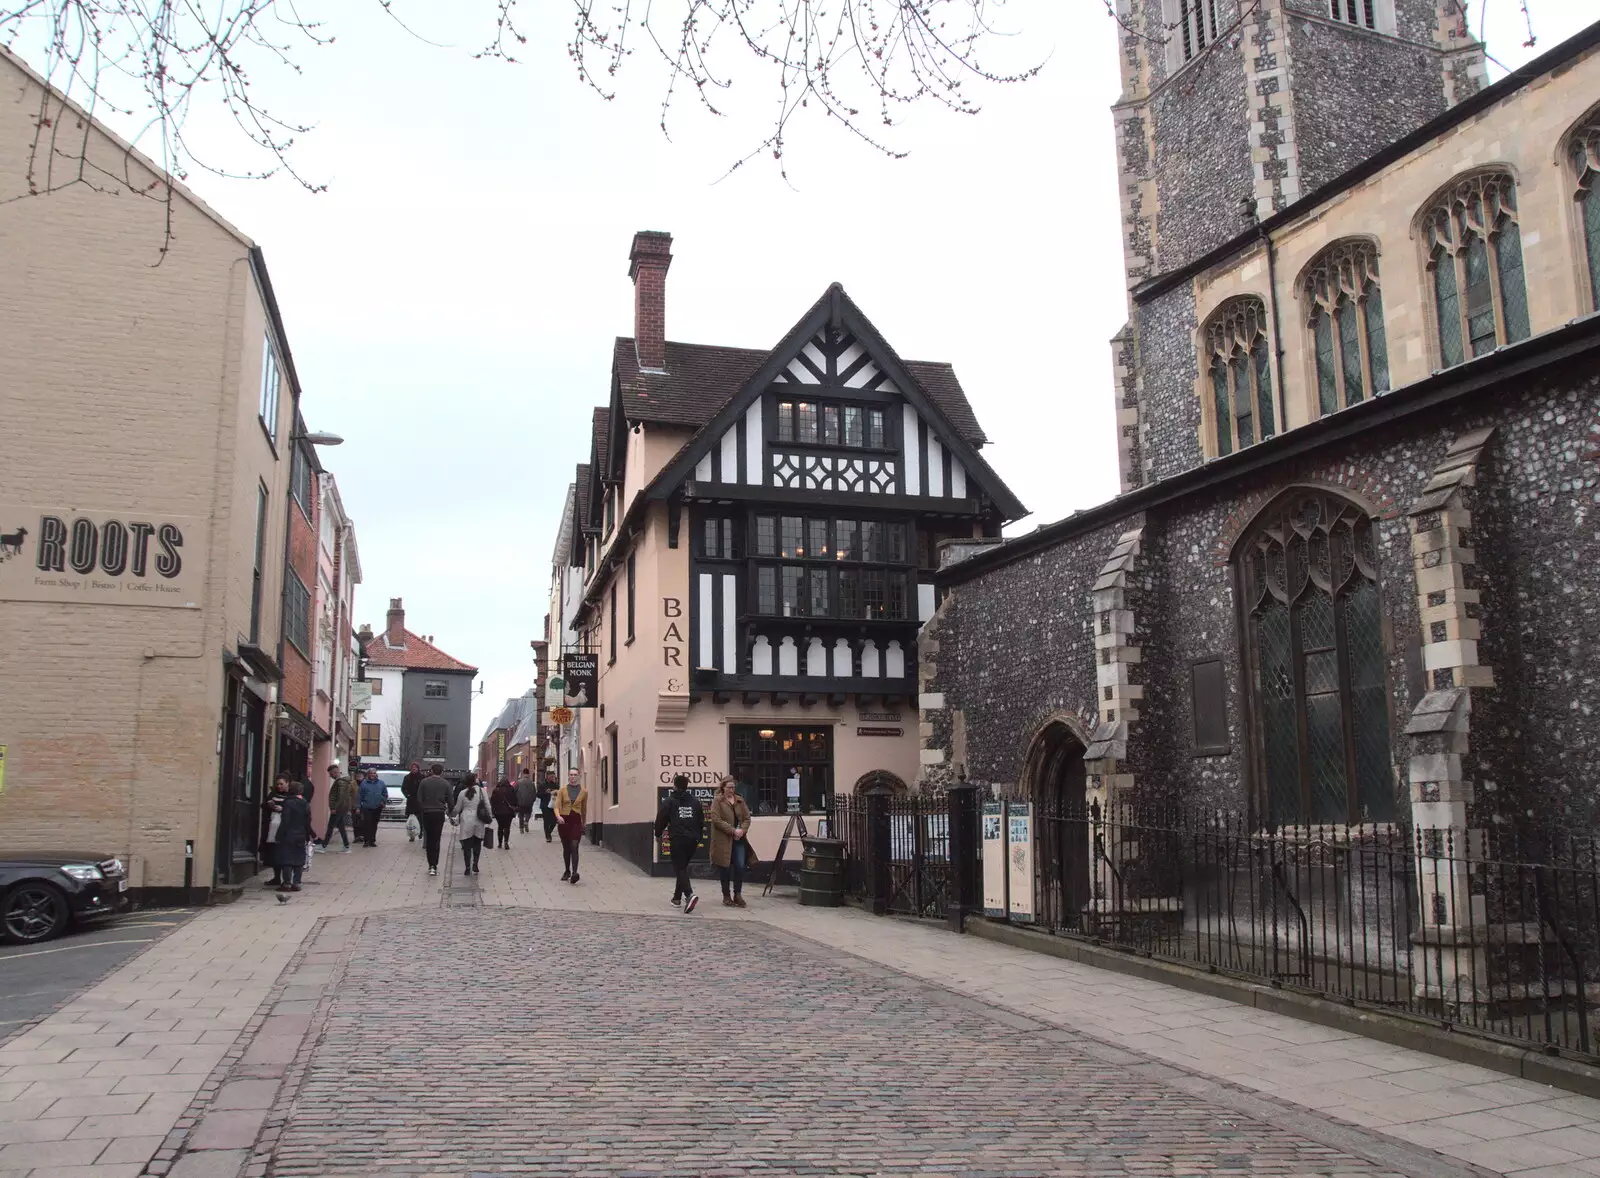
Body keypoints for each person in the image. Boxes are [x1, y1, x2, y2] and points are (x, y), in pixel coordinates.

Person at [654, 774, 705, 913]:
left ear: (675, 786)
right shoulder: (695, 801)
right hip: (692, 840)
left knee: (679, 868)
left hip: (678, 838)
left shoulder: (670, 801)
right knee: (682, 867)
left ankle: (689, 894)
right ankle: (676, 898)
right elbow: (701, 820)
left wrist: (657, 834)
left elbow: (661, 819)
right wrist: (698, 837)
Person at [709, 775, 753, 908]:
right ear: (723, 787)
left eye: (733, 787)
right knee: (725, 867)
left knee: (740, 866)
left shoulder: (740, 800)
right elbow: (716, 820)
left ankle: (738, 894)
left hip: (739, 839)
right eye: (729, 787)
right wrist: (732, 830)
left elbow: (747, 818)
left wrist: (742, 831)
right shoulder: (718, 801)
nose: (731, 790)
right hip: (724, 839)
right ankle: (726, 896)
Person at [450, 773, 490, 876]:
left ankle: (467, 867)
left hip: (466, 820)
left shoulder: (462, 793)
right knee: (477, 843)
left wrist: (452, 815)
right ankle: (475, 864)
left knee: (467, 845)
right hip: (479, 820)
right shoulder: (482, 791)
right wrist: (489, 817)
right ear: (475, 780)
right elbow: (487, 805)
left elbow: (457, 808)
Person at [275, 781, 312, 893]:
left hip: (289, 834)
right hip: (301, 833)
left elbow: (285, 820)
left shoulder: (288, 802)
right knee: (299, 859)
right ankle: (297, 883)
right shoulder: (305, 803)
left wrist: (279, 834)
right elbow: (308, 820)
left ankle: (287, 883)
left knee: (287, 859)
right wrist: (308, 834)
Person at [416, 763, 452, 876]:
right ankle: (434, 866)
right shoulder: (446, 784)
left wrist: (422, 809)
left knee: (429, 839)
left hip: (427, 813)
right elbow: (450, 800)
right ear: (441, 772)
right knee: (436, 839)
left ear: (431, 771)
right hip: (439, 813)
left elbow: (419, 798)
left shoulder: (424, 782)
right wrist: (451, 814)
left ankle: (430, 863)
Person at [554, 768, 587, 884]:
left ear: (579, 776)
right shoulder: (562, 790)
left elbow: (584, 809)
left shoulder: (584, 792)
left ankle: (574, 873)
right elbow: (556, 806)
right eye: (571, 775)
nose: (573, 777)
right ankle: (567, 870)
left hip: (576, 821)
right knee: (566, 848)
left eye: (575, 775)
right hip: (564, 820)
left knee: (574, 845)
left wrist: (584, 823)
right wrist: (558, 817)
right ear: (568, 776)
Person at [260, 775, 290, 887]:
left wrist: (282, 809)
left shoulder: (291, 796)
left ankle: (285, 879)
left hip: (284, 829)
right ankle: (276, 877)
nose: (279, 786)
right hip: (271, 828)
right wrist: (269, 805)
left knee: (283, 854)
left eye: (281, 784)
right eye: (277, 784)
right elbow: (263, 805)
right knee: (274, 854)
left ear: (287, 783)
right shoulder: (272, 795)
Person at [321, 767, 354, 852]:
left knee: (330, 826)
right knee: (341, 827)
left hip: (339, 808)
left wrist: (334, 808)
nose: (330, 776)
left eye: (331, 774)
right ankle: (346, 846)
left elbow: (341, 796)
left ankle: (324, 846)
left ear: (335, 772)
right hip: (342, 807)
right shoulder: (343, 781)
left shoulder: (340, 782)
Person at [356, 769, 387, 847]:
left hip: (377, 807)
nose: (373, 774)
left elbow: (385, 794)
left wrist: (382, 801)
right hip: (366, 807)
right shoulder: (364, 783)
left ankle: (372, 840)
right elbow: (359, 796)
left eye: (374, 773)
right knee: (367, 824)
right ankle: (366, 841)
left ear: (376, 774)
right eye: (371, 773)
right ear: (368, 774)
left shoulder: (381, 783)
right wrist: (358, 807)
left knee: (374, 824)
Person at [490, 778, 517, 849]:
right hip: (509, 812)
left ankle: (499, 843)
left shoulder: (496, 790)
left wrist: (493, 811)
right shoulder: (511, 790)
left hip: (498, 812)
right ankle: (506, 842)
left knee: (500, 827)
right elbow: (515, 800)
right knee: (507, 827)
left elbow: (492, 801)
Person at [400, 762, 423, 841]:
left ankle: (420, 832)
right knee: (410, 819)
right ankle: (411, 835)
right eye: (412, 768)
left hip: (419, 801)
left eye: (415, 767)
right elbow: (403, 788)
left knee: (420, 818)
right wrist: (407, 795)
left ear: (418, 768)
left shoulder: (422, 777)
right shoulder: (407, 777)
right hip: (410, 801)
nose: (414, 769)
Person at [515, 770, 538, 834]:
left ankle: (521, 828)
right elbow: (534, 793)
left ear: (523, 774)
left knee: (521, 815)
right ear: (528, 774)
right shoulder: (531, 783)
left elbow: (514, 791)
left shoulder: (518, 782)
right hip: (529, 802)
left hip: (520, 802)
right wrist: (533, 800)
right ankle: (526, 822)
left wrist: (516, 800)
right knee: (528, 813)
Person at [538, 771, 558, 843]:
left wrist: (555, 793)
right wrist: (545, 792)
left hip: (553, 805)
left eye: (553, 776)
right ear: (547, 776)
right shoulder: (542, 785)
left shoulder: (555, 785)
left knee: (554, 821)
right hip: (545, 805)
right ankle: (548, 836)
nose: (553, 778)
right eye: (551, 776)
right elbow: (538, 795)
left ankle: (549, 832)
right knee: (546, 821)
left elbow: (559, 793)